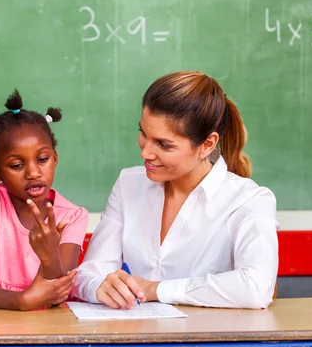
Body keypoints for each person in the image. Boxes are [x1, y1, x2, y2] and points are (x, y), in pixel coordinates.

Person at [73, 72, 279, 310]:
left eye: (163, 144)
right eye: (143, 134)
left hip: (208, 345)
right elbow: (88, 275)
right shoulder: (129, 184)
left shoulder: (248, 200)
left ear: (207, 145)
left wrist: (157, 289)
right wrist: (99, 287)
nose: (145, 153)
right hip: (133, 341)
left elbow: (255, 288)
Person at [0, 89, 88, 310]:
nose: (33, 172)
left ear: (55, 158)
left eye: (42, 159)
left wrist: (49, 256)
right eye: (17, 165)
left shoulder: (73, 217)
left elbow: (59, 294)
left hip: (45, 331)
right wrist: (22, 301)